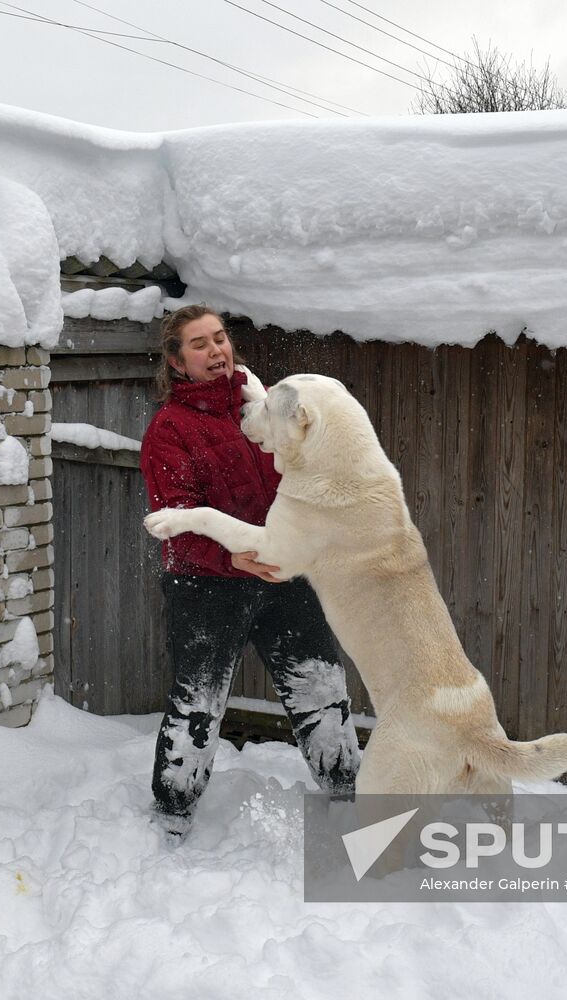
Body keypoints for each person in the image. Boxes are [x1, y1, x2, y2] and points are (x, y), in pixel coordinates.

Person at [140, 304, 361, 841]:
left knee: (322, 689)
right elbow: (175, 518)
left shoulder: (263, 406)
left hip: (283, 575)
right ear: (176, 362)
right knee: (199, 705)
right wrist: (228, 557)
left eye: (219, 338)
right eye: (199, 344)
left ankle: (348, 801)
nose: (216, 350)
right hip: (207, 586)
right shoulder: (171, 429)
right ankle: (172, 814)